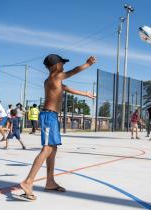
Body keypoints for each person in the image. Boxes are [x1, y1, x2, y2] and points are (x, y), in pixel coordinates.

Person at [13, 54, 96, 201]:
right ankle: (28, 182)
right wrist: (87, 64)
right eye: (62, 64)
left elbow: (66, 88)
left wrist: (85, 93)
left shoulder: (50, 80)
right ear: (57, 65)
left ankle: (50, 182)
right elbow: (74, 71)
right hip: (48, 116)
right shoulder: (57, 76)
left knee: (53, 148)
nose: (63, 66)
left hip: (51, 117)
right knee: (47, 149)